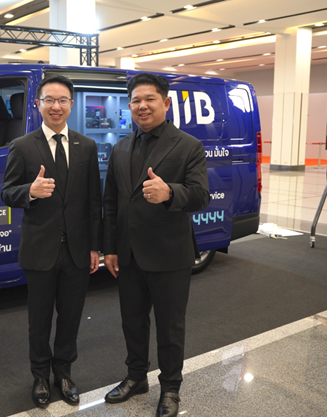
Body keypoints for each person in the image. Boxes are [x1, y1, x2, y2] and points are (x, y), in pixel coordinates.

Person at [102, 73, 210, 417]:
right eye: (136, 100)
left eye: (149, 99)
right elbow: (111, 203)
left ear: (166, 102)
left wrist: (170, 193)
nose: (142, 106)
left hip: (169, 254)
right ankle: (136, 377)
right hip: (129, 254)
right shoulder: (120, 147)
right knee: (132, 322)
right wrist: (110, 248)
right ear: (129, 105)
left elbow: (201, 195)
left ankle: (171, 388)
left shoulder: (188, 146)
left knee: (170, 327)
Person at [1, 75, 102, 408]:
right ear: (38, 104)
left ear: (71, 104)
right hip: (40, 249)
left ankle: (64, 374)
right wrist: (29, 191)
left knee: (71, 317)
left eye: (62, 100)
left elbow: (93, 200)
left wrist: (95, 247)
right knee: (40, 319)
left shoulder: (86, 146)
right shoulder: (22, 146)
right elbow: (7, 193)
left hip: (77, 250)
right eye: (49, 100)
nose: (55, 106)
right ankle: (40, 376)